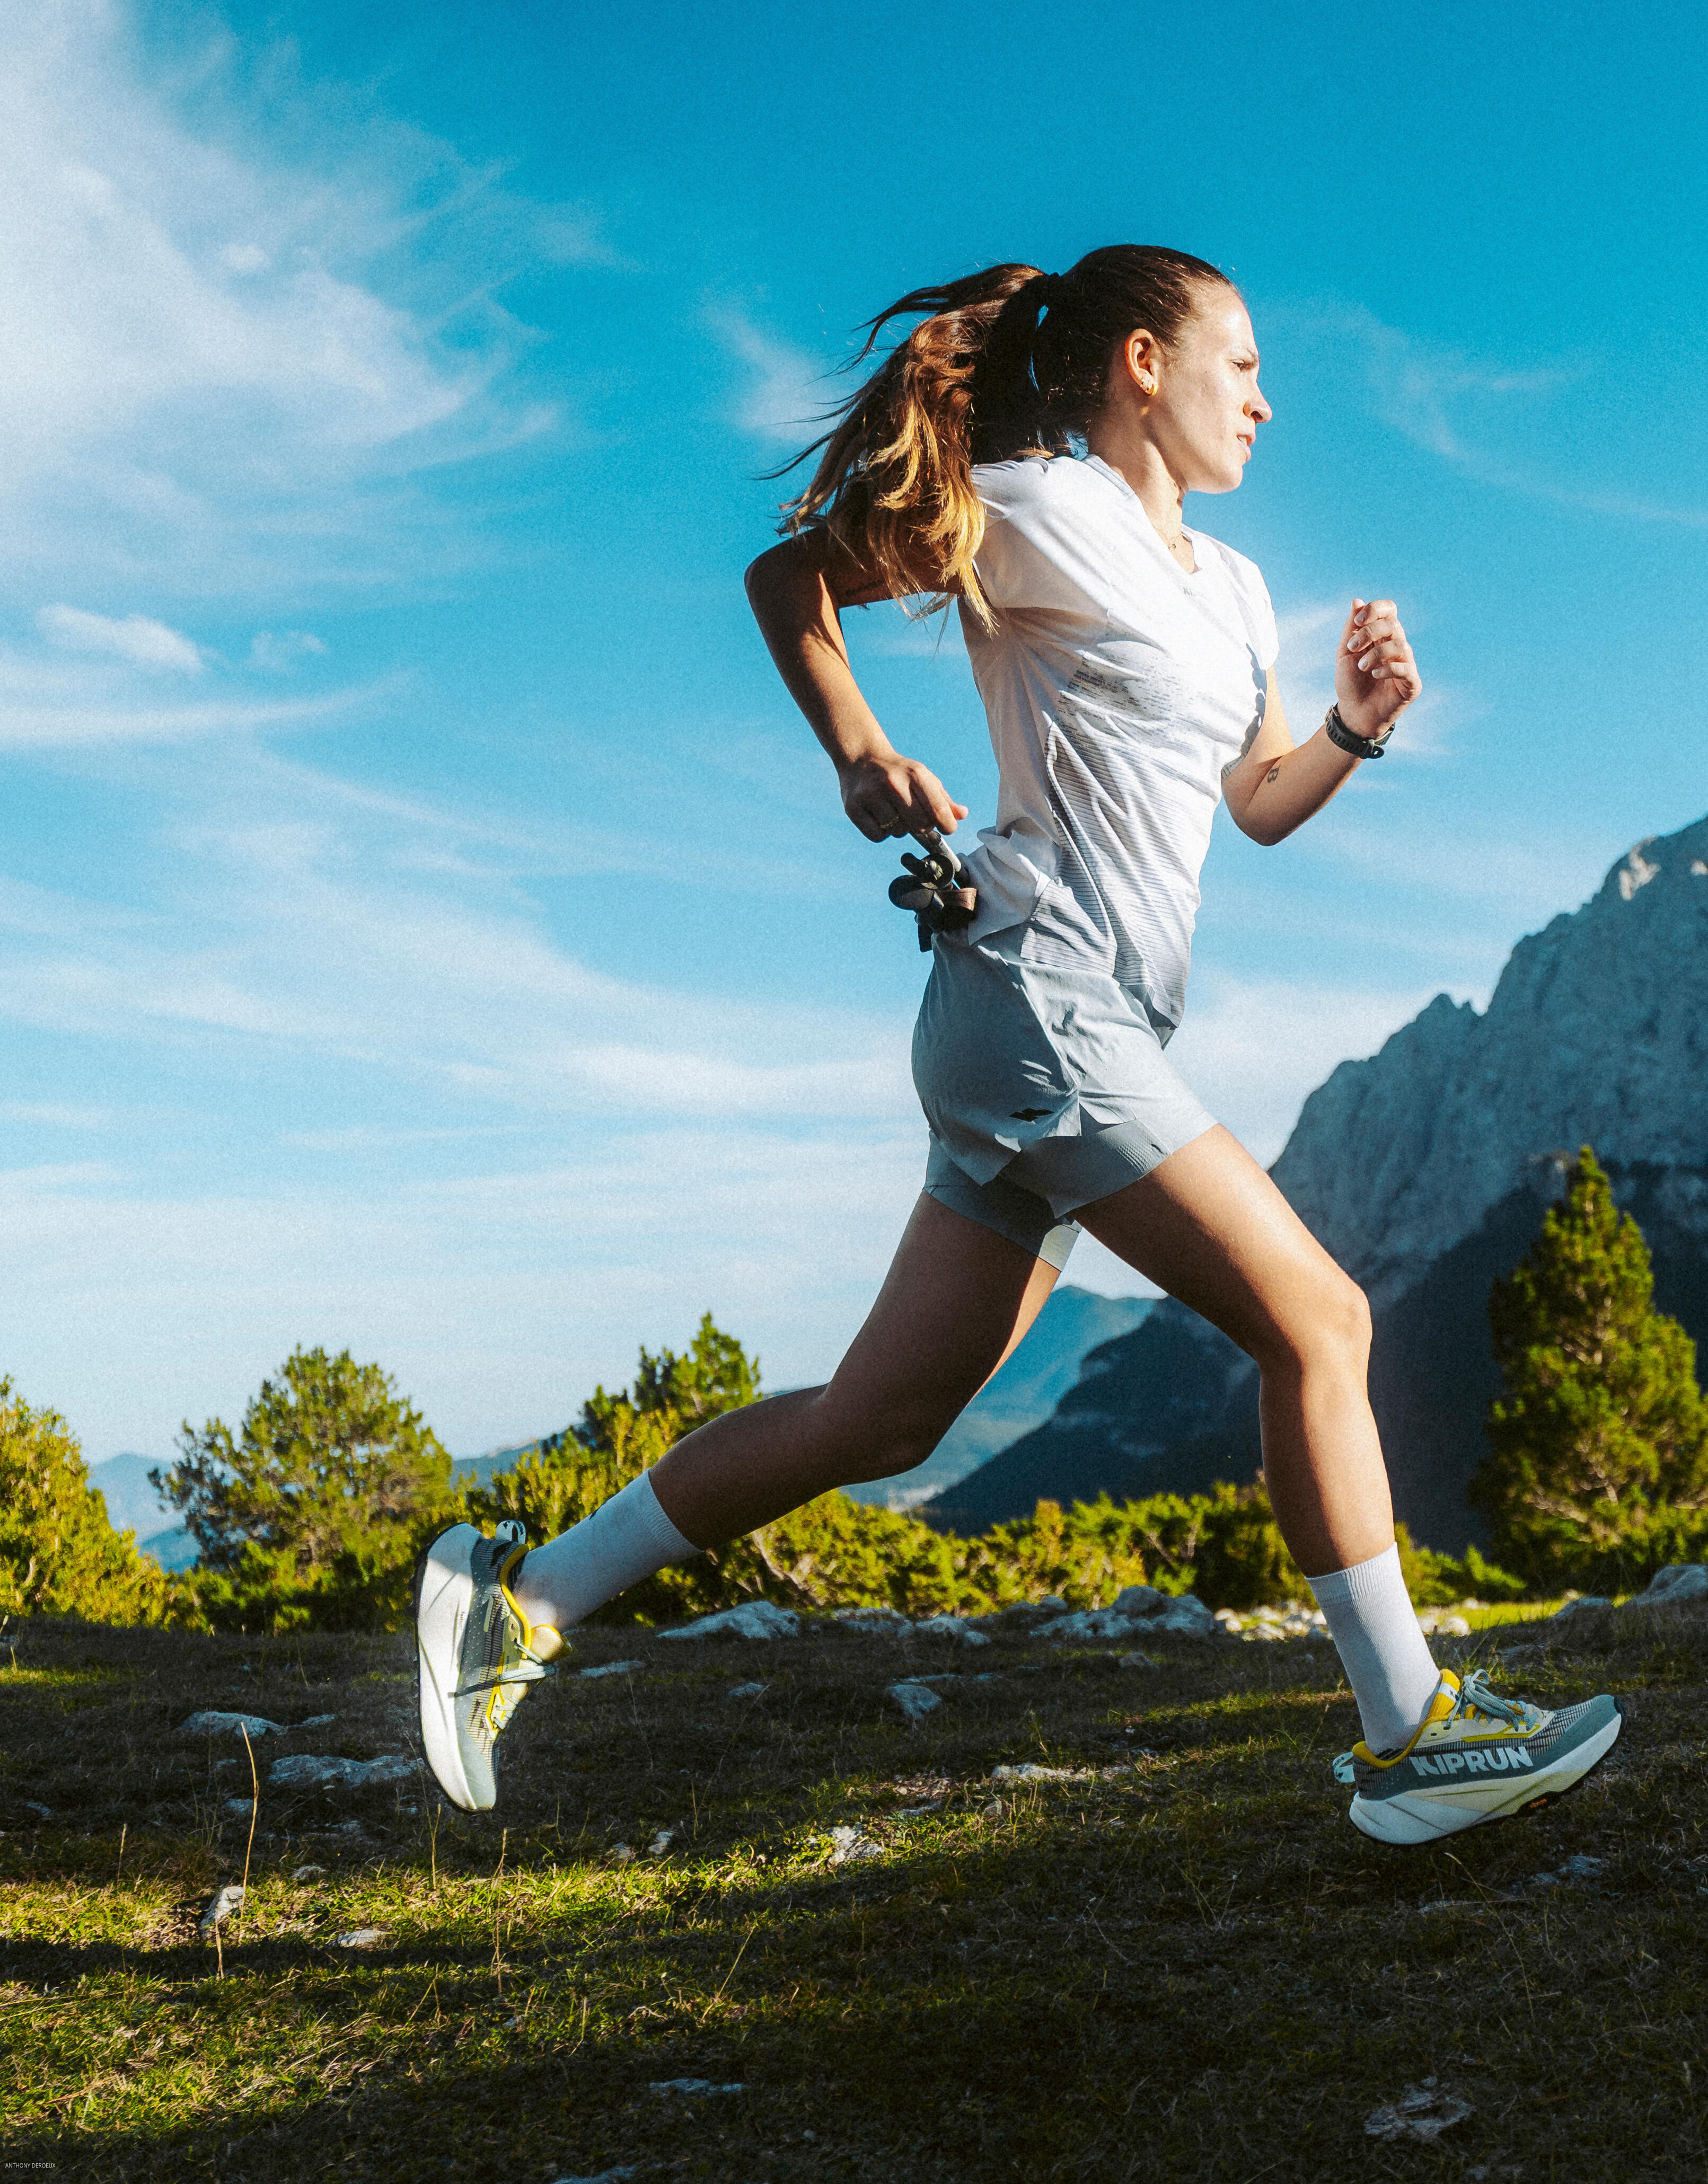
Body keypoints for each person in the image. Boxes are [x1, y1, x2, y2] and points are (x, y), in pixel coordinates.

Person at [411, 244, 1617, 1845]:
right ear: (1138, 363)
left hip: (1082, 1020)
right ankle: (1413, 1731)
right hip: (1036, 992)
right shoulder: (1040, 511)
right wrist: (860, 756)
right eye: (1239, 362)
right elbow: (793, 583)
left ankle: (525, 1600)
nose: (1265, 396)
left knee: (881, 1418)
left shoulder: (1240, 586)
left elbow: (1251, 806)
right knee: (1320, 1322)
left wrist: (1352, 729)